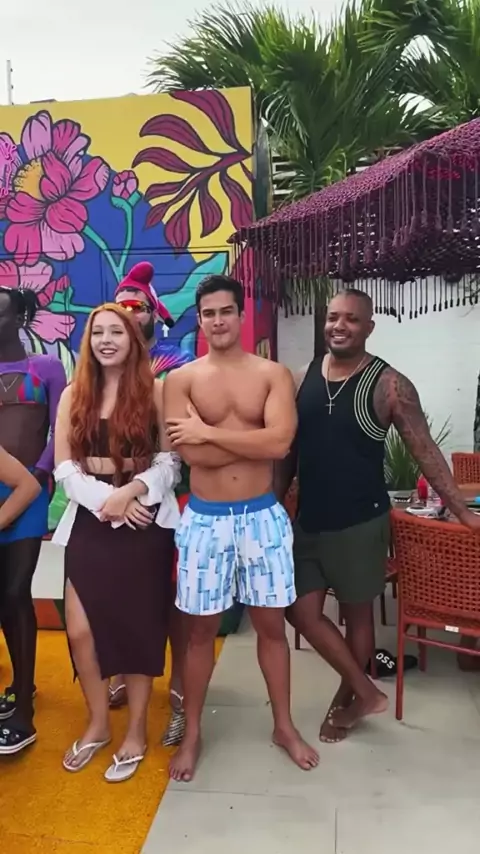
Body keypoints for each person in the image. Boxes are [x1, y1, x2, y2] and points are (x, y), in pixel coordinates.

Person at [275, 288, 480, 742]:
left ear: (369, 327)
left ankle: (347, 698)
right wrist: (274, 505)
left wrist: (462, 512)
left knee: (358, 616)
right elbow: (290, 452)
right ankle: (366, 690)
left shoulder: (390, 384)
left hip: (360, 522)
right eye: (333, 317)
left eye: (351, 319)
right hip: (309, 519)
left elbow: (425, 451)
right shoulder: (305, 375)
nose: (339, 326)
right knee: (300, 613)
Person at [164, 274, 319, 783]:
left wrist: (207, 430)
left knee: (272, 627)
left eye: (225, 311)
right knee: (199, 632)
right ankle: (193, 735)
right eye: (208, 314)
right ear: (200, 320)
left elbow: (279, 445)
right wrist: (246, 440)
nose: (217, 321)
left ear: (240, 313)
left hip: (261, 517)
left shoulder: (272, 374)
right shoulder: (181, 380)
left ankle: (283, 726)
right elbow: (192, 456)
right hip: (205, 520)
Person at [53, 303, 180, 782]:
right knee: (80, 629)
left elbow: (170, 462)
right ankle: (99, 724)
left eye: (116, 332)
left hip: (144, 519)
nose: (106, 340)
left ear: (133, 339)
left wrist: (132, 493)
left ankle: (137, 732)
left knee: (138, 628)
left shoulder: (156, 390)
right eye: (98, 332)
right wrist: (109, 502)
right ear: (88, 342)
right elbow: (65, 468)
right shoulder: (73, 394)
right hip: (91, 520)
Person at [113, 261, 194, 746]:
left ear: (153, 314)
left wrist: (147, 484)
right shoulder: (101, 368)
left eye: (137, 307)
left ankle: (181, 688)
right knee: (123, 593)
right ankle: (127, 671)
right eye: (121, 306)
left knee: (175, 597)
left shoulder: (176, 365)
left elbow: (181, 441)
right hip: (116, 499)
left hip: (169, 494)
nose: (129, 314)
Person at [0, 287, 66, 755]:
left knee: (15, 591)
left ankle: (24, 701)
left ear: (19, 317)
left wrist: (40, 476)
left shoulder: (46, 368)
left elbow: (62, 428)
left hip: (31, 491)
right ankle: (20, 682)